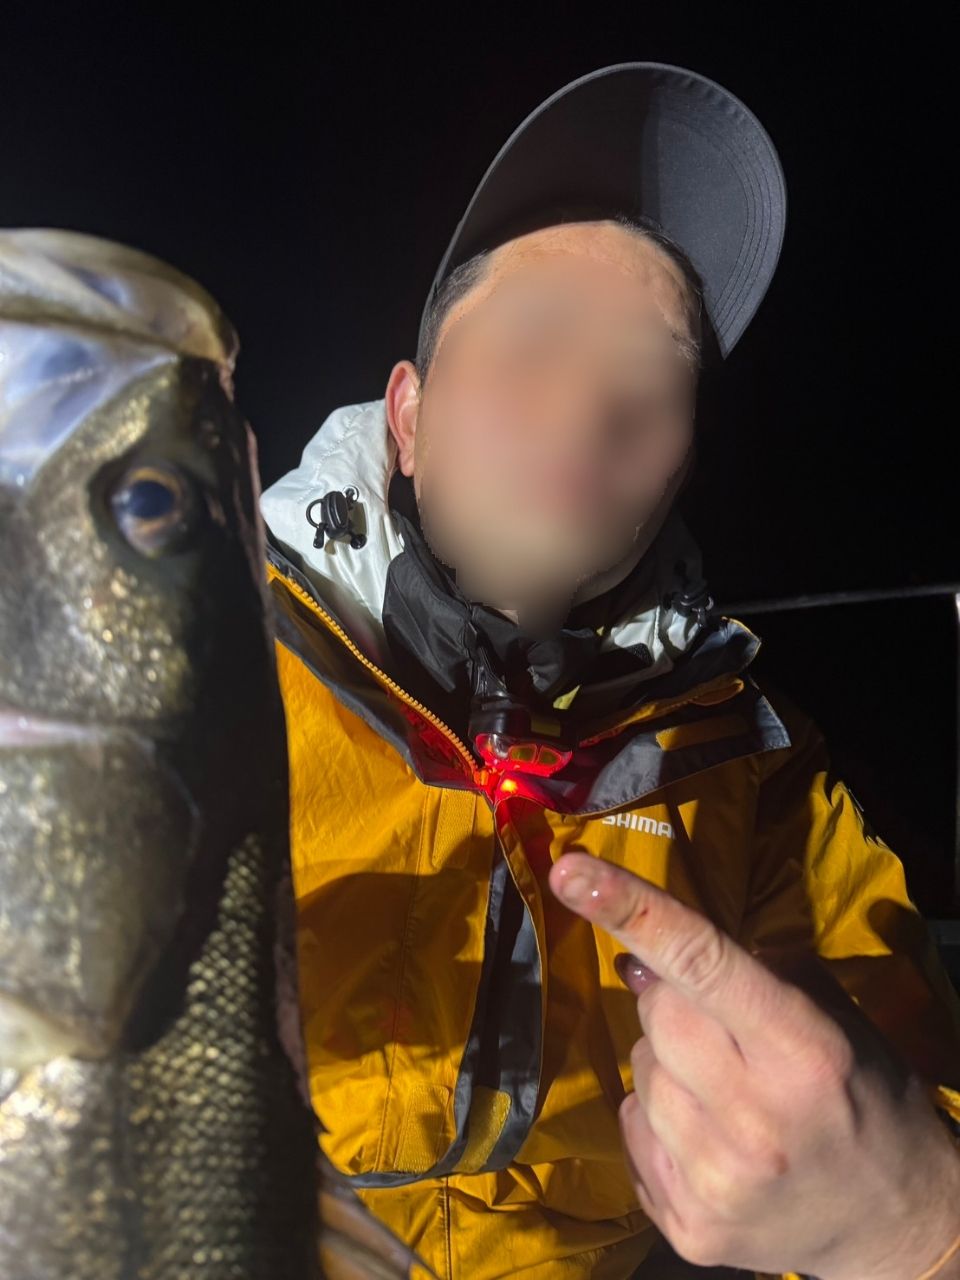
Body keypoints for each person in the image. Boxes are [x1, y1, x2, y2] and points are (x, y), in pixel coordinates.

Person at [259, 63, 960, 1280]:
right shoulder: (197, 661)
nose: (593, 407)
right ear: (408, 417)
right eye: (534, 341)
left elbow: (901, 1059)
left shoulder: (750, 763)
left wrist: (923, 1225)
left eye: (656, 372)